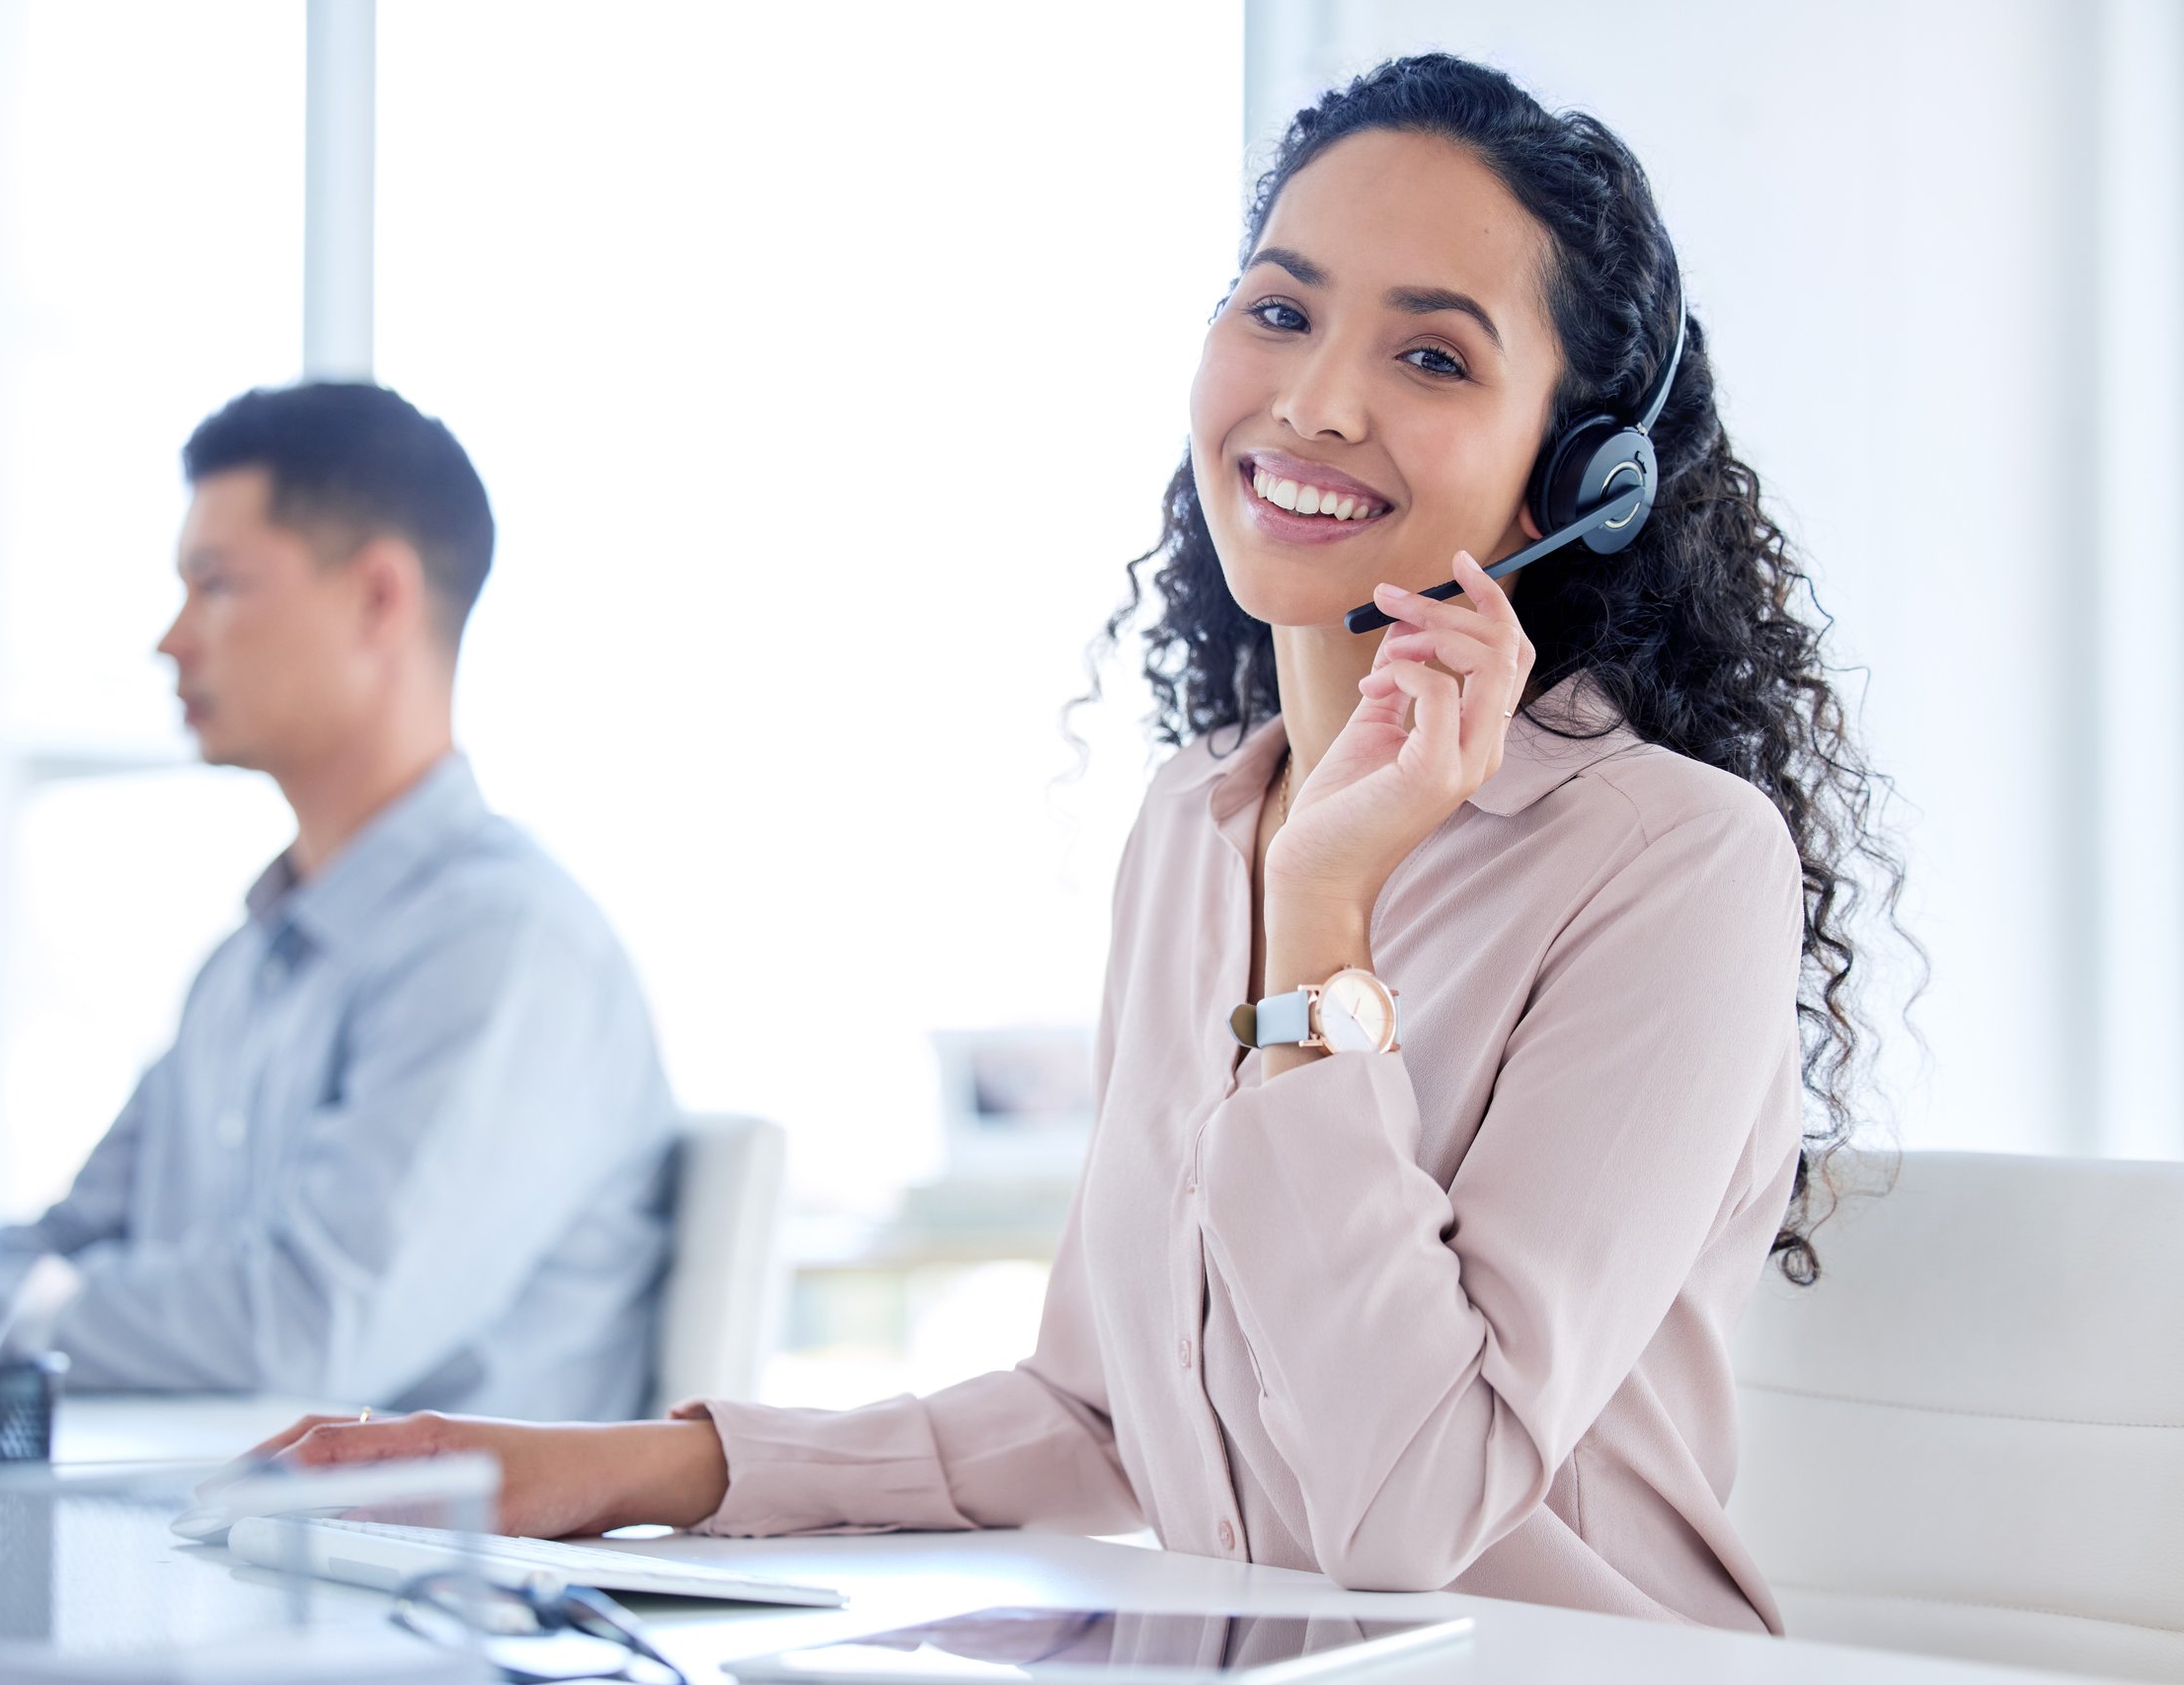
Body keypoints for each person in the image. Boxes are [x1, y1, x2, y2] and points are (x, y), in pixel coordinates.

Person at [241, 57, 1907, 1631]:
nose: (1316, 398)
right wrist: (620, 1468)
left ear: (1577, 483)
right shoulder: (1196, 826)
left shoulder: (1674, 864)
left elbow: (1409, 1501)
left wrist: (1321, 919)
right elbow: (1109, 1403)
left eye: (1432, 356)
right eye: (1279, 309)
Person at [0, 382, 678, 1420]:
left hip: (428, 1573)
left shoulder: (502, 945)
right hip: (229, 1542)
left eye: (216, 584)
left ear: (377, 599)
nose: (172, 640)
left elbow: (303, 1331)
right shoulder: (249, 966)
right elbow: (76, 1241)